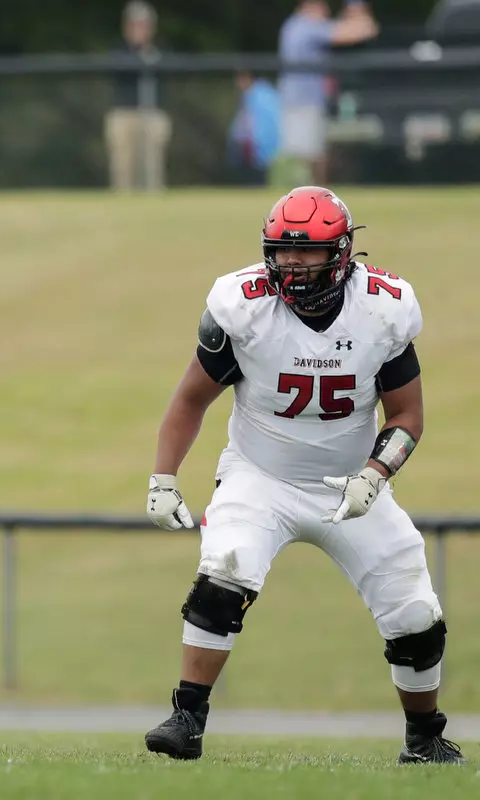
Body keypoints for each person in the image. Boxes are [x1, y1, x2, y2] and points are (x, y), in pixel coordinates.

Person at [142, 186, 464, 765]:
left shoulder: (383, 309)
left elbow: (408, 415)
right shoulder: (242, 306)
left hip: (350, 484)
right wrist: (163, 478)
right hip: (259, 475)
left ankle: (424, 739)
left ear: (340, 252)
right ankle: (186, 718)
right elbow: (190, 399)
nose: (292, 264)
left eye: (308, 253)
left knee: (415, 612)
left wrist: (374, 474)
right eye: (282, 252)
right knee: (226, 569)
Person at [275, 1, 378, 186]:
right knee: (309, 156)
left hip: (297, 99)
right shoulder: (306, 27)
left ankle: (307, 197)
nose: (327, 11)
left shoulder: (293, 25)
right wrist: (357, 9)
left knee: (307, 155)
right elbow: (362, 31)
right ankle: (312, 199)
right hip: (304, 101)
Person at [104, 1, 171, 192]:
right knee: (122, 168)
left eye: (143, 24)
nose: (138, 29)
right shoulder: (117, 50)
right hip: (124, 113)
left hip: (152, 113)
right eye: (134, 24)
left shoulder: (159, 50)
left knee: (152, 168)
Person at [226, 70, 281, 185]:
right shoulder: (267, 92)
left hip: (259, 146)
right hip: (266, 146)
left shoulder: (255, 95)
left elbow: (248, 125)